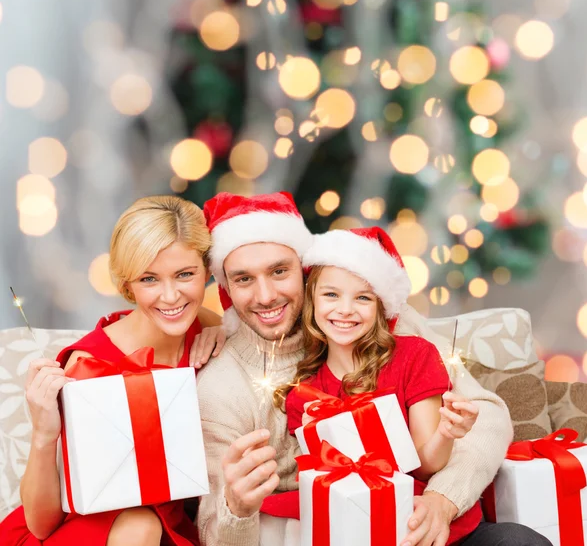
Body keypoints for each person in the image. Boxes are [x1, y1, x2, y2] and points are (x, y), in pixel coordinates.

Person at [196, 192, 544, 546]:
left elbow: (488, 416)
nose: (266, 295)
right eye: (243, 279)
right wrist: (236, 508)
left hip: (434, 522)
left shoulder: (381, 323)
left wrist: (444, 500)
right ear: (226, 286)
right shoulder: (221, 386)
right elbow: (212, 529)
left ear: (305, 271)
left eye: (280, 271)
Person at [0, 195, 224, 546]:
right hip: (86, 533)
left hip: (170, 528)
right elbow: (41, 525)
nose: (170, 296)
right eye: (149, 279)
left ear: (207, 272)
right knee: (140, 524)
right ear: (127, 285)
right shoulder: (89, 366)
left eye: (185, 274)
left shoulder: (205, 325)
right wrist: (44, 435)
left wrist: (225, 333)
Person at [279, 227, 480, 544]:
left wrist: (446, 433)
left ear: (380, 307)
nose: (345, 309)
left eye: (362, 297)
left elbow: (425, 466)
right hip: (364, 529)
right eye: (331, 295)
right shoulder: (303, 395)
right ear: (311, 302)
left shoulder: (414, 356)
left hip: (427, 521)